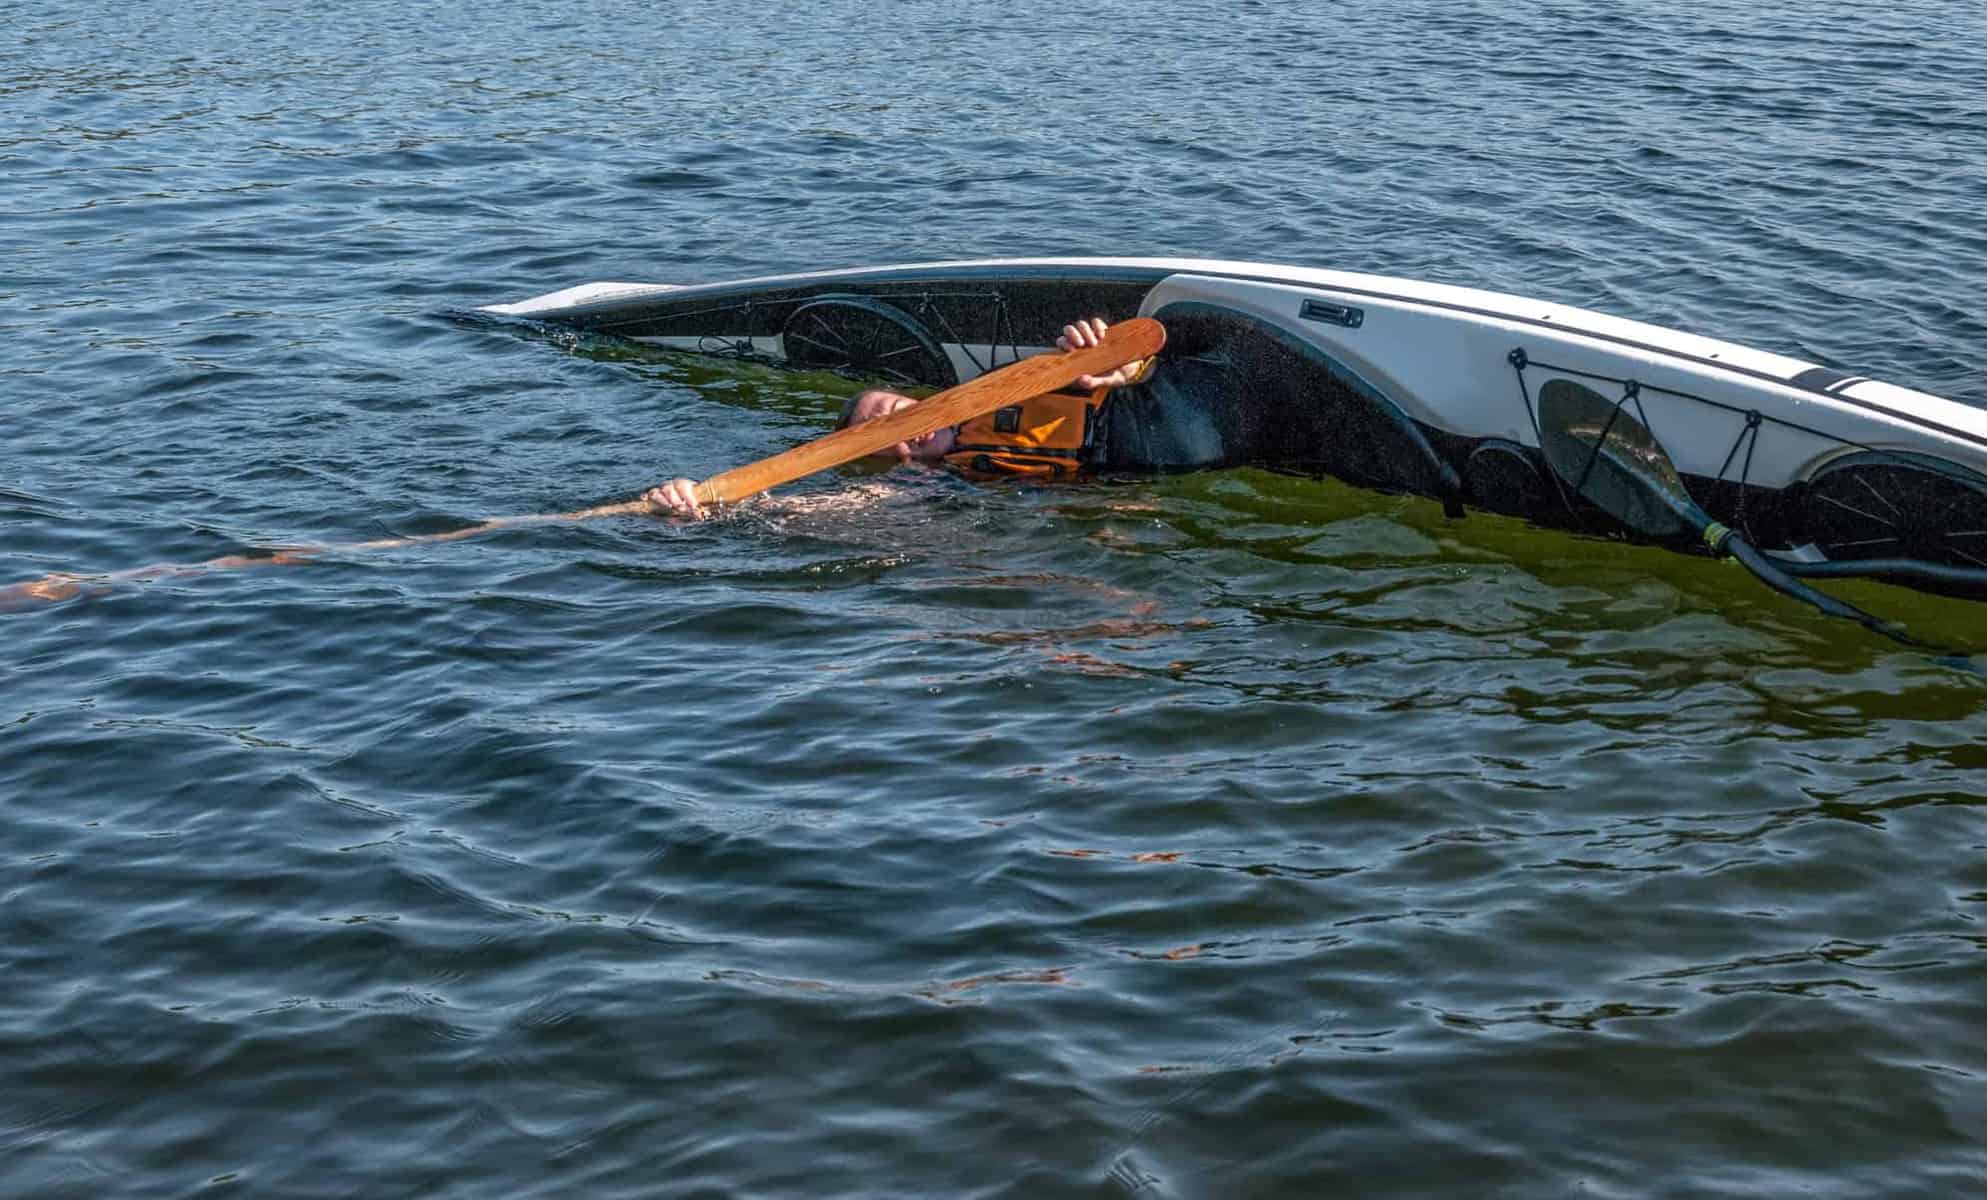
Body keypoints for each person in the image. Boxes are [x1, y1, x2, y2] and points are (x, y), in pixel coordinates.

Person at [642, 318, 1159, 519]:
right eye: (896, 445)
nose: (910, 436)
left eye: (894, 416)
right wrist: (701, 497)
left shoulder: (1001, 385)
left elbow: (1137, 362)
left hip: (1151, 410)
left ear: (914, 400)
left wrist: (1110, 361)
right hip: (1142, 470)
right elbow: (818, 506)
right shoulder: (942, 481)